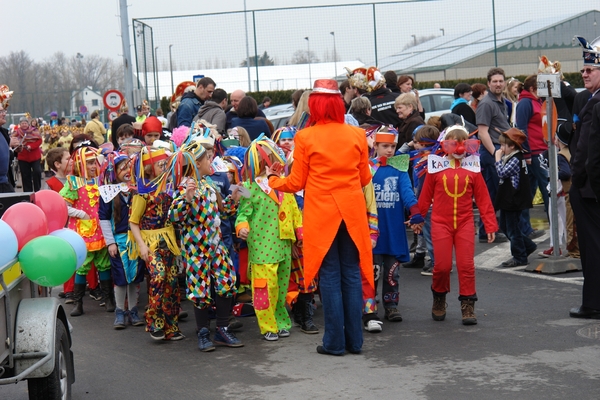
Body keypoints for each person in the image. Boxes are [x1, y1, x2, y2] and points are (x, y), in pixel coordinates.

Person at [266, 79, 373, 355]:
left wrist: (274, 180)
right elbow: (364, 177)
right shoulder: (357, 135)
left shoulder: (305, 137)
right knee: (350, 274)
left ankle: (334, 343)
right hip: (352, 212)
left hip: (322, 215)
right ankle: (355, 342)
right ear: (339, 104)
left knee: (329, 275)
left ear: (314, 105)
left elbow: (296, 182)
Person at [418, 125, 497, 325]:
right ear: (445, 145)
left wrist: (490, 225)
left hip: (464, 222)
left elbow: (483, 198)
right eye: (454, 143)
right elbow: (425, 196)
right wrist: (418, 219)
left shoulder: (473, 169)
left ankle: (468, 305)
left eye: (464, 143)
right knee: (442, 266)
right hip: (440, 223)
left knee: (466, 265)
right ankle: (439, 298)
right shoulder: (435, 168)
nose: (459, 148)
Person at [169, 141, 243, 351]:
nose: (211, 160)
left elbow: (219, 212)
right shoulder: (185, 186)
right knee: (200, 291)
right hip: (196, 250)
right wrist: (188, 199)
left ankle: (222, 328)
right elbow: (174, 216)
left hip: (216, 246)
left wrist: (233, 199)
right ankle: (203, 332)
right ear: (197, 163)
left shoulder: (208, 184)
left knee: (226, 281)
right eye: (207, 158)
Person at [235, 136, 301, 341]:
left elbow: (294, 211)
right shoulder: (248, 187)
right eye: (272, 157)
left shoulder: (283, 182)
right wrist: (242, 228)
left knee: (281, 289)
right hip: (262, 248)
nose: (277, 160)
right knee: (264, 289)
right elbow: (242, 214)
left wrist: (299, 233)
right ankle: (267, 326)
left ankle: (281, 321)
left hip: (283, 246)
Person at [128, 146, 183, 340]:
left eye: (165, 164)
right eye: (160, 164)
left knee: (172, 282)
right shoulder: (142, 193)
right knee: (158, 277)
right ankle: (154, 322)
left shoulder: (169, 187)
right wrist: (142, 245)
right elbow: (133, 222)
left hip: (168, 241)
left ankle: (171, 326)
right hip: (151, 241)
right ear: (150, 168)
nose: (164, 168)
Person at [370, 127, 423, 323]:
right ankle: (369, 306)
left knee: (392, 273)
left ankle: (391, 306)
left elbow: (407, 193)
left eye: (392, 146)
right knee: (372, 273)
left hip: (394, 230)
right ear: (375, 146)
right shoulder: (368, 169)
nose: (390, 150)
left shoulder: (400, 169)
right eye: (385, 146)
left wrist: (415, 212)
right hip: (373, 232)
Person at [569, 35, 600, 319]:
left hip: (590, 188)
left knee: (591, 248)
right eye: (583, 69)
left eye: (591, 68)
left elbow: (586, 153)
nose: (584, 72)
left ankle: (592, 303)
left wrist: (576, 182)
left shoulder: (594, 103)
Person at [59, 145, 111, 316]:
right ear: (81, 164)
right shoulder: (73, 182)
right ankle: (78, 302)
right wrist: (80, 213)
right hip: (83, 231)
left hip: (101, 230)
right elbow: (62, 205)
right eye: (89, 163)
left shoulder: (102, 180)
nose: (93, 166)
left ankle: (108, 298)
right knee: (82, 267)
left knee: (104, 265)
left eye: (95, 163)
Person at [98, 152, 145, 328]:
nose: (126, 170)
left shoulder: (137, 190)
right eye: (122, 167)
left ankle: (133, 310)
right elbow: (103, 218)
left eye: (128, 166)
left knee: (135, 277)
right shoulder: (108, 193)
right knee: (120, 277)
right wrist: (110, 242)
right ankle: (119, 311)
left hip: (136, 240)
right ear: (114, 171)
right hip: (119, 241)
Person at [476, 67, 511, 244]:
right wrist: (495, 154)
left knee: (492, 195)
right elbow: (482, 133)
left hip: (499, 152)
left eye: (500, 81)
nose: (498, 84)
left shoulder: (501, 101)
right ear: (488, 84)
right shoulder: (487, 104)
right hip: (492, 153)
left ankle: (485, 230)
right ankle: (490, 230)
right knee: (497, 194)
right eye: (494, 81)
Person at [494, 128, 537, 267]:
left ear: (512, 146)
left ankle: (519, 256)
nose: (501, 148)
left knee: (513, 229)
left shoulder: (515, 159)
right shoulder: (512, 157)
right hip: (509, 199)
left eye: (503, 145)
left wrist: (497, 159)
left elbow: (502, 173)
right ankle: (528, 246)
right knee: (505, 226)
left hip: (514, 199)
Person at [516, 75, 547, 239]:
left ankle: (525, 228)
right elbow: (521, 129)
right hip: (534, 153)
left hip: (540, 151)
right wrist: (526, 153)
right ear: (532, 89)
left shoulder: (536, 101)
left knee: (532, 190)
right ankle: (524, 227)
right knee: (539, 190)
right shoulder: (526, 103)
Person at [538, 126, 571, 257]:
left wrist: (554, 174)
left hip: (560, 192)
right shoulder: (568, 152)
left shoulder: (560, 156)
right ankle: (562, 245)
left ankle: (559, 246)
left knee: (560, 220)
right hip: (562, 192)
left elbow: (565, 173)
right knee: (563, 221)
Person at [12, 116, 42, 192]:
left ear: (28, 124)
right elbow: (12, 140)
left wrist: (31, 146)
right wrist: (17, 144)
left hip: (34, 156)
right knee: (25, 175)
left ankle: (37, 190)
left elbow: (39, 141)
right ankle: (27, 192)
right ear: (20, 124)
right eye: (22, 123)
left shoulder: (34, 131)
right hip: (23, 157)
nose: (24, 125)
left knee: (37, 172)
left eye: (25, 123)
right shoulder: (16, 132)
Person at [0, 87, 14, 193]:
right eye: (1, 111)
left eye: (4, 110)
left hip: (5, 184)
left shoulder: (2, 132)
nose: (4, 113)